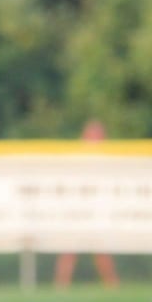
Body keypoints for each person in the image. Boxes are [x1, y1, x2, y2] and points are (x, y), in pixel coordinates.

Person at [53, 119, 120, 289]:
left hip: (98, 212)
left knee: (102, 250)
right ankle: (61, 287)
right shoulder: (76, 157)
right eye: (92, 135)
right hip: (76, 211)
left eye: (99, 136)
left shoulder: (108, 159)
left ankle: (112, 287)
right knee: (69, 250)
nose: (96, 139)